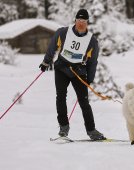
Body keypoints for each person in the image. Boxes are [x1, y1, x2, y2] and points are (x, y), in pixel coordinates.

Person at [39, 9, 106, 140]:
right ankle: (64, 127)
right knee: (61, 97)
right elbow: (52, 47)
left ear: (87, 23)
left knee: (84, 102)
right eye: (79, 20)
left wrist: (90, 79)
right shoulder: (63, 32)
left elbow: (93, 62)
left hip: (79, 72)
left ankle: (91, 130)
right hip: (61, 69)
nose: (81, 23)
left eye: (84, 21)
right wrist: (46, 61)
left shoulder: (92, 41)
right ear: (75, 20)